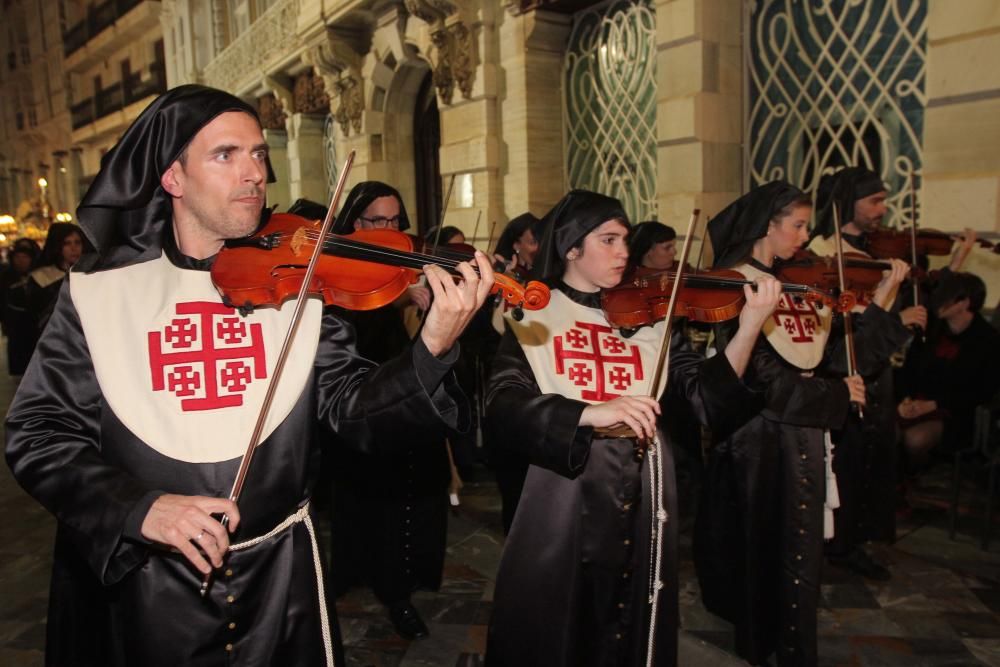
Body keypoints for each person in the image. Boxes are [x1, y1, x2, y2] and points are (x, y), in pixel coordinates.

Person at [4, 85, 494, 667]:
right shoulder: (96, 293)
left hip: (278, 580)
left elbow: (357, 414)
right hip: (146, 589)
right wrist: (140, 508)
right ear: (172, 178)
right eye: (226, 154)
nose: (254, 173)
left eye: (259, 154)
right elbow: (38, 436)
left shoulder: (298, 282)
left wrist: (433, 343)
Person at [485, 189, 781, 667]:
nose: (624, 251)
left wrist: (748, 327)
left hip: (645, 483)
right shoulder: (532, 312)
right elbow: (502, 405)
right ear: (570, 247)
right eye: (609, 239)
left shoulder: (648, 318)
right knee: (557, 616)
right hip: (566, 487)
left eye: (625, 239)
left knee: (632, 616)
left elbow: (706, 399)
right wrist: (586, 411)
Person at [693, 182, 874, 667]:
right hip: (758, 441)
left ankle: (792, 645)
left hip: (802, 432)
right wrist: (835, 394)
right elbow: (761, 379)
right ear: (766, 226)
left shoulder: (795, 278)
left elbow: (818, 355)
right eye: (795, 225)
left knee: (799, 550)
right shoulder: (732, 282)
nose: (803, 235)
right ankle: (766, 646)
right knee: (762, 549)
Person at [324, 181, 451, 641]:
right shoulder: (338, 263)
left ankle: (397, 591)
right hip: (350, 395)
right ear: (357, 223)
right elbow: (346, 321)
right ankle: (352, 574)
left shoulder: (397, 261)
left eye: (397, 220)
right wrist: (399, 297)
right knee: (358, 498)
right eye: (380, 220)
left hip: (396, 380)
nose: (392, 229)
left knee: (401, 501)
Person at [808, 166, 923, 580]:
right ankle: (840, 543)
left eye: (883, 200)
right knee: (849, 461)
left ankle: (855, 538)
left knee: (873, 458)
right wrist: (890, 305)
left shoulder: (873, 248)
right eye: (874, 200)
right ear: (847, 203)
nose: (882, 208)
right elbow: (845, 328)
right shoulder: (824, 250)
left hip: (877, 370)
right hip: (848, 368)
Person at [897, 272, 1000, 469]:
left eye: (946, 298)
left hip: (957, 414)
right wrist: (904, 399)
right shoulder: (931, 329)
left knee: (914, 439)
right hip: (918, 402)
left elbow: (982, 391)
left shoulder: (989, 340)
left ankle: (919, 475)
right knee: (883, 432)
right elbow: (908, 370)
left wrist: (934, 404)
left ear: (963, 303)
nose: (937, 304)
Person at [1, 238, 40, 375]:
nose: (21, 261)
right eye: (18, 257)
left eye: (25, 257)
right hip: (15, 325)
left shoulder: (39, 276)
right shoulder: (6, 277)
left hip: (35, 325)